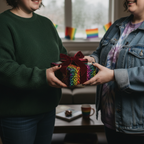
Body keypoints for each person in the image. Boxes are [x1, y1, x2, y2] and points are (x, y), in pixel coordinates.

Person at [0, 0, 67, 144]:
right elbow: (3, 67)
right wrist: (42, 76)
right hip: (18, 116)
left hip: (48, 108)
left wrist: (78, 65)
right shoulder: (3, 23)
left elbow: (62, 56)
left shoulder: (46, 23)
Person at [83, 0, 144, 144]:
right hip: (110, 119)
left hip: (136, 126)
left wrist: (113, 76)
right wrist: (91, 59)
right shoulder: (118, 24)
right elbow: (100, 52)